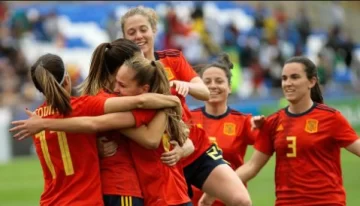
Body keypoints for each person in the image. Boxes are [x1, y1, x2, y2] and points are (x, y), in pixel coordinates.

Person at [11, 54, 193, 206]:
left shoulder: (36, 117)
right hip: (84, 200)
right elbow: (140, 102)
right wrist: (172, 99)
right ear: (67, 79)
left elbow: (71, 147)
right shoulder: (82, 106)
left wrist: (94, 146)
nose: (116, 89)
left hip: (50, 201)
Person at [120, 6, 252, 206]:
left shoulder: (172, 58)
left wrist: (187, 85)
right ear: (123, 37)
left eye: (143, 29)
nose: (139, 36)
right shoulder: (122, 75)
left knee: (241, 200)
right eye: (131, 32)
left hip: (194, 146)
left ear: (154, 30)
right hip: (160, 158)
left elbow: (204, 92)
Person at [234, 56, 360, 206]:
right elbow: (251, 167)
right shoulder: (273, 122)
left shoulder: (331, 118)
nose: (288, 83)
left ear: (311, 82)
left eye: (294, 77)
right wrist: (214, 187)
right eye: (284, 78)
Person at [190, 53, 256, 206]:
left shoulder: (244, 121)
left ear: (229, 87)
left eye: (219, 81)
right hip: (193, 202)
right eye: (207, 82)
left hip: (231, 201)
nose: (213, 86)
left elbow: (270, 143)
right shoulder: (187, 119)